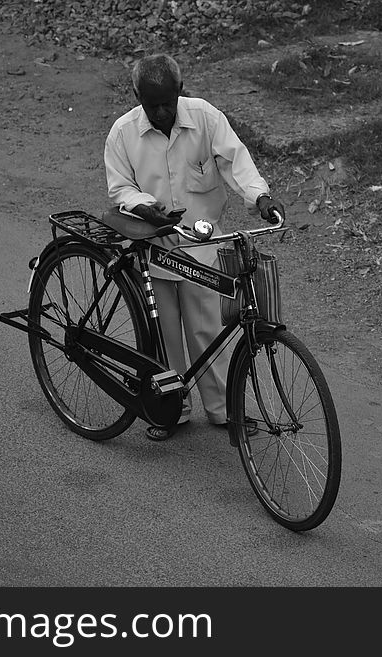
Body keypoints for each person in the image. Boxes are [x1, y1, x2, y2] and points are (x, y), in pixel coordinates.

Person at [103, 53, 285, 441]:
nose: (162, 112)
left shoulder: (205, 117)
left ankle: (222, 410)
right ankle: (171, 409)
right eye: (152, 105)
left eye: (168, 102)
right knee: (164, 335)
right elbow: (120, 188)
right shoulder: (123, 133)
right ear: (136, 96)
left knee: (208, 331)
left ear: (180, 92)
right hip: (153, 247)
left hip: (203, 248)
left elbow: (236, 161)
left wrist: (260, 197)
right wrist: (145, 208)